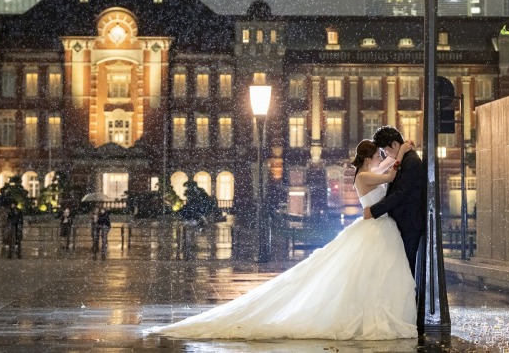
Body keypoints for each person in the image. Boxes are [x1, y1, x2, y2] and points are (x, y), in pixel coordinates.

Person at [144, 139, 416, 340]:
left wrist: (391, 157)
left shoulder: (367, 171)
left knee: (370, 275)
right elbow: (390, 174)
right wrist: (401, 152)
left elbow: (384, 169)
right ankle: (370, 314)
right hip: (375, 229)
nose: (382, 157)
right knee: (369, 273)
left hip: (378, 228)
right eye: (378, 154)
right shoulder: (364, 175)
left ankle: (371, 311)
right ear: (370, 156)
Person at [363, 125, 426, 275]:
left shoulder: (411, 161)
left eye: (386, 150)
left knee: (406, 269)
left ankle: (409, 298)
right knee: (401, 268)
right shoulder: (404, 158)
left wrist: (374, 210)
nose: (386, 154)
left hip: (409, 223)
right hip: (404, 221)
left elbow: (400, 193)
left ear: (395, 144)